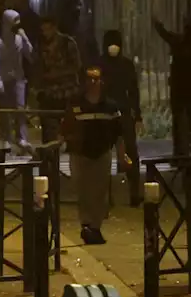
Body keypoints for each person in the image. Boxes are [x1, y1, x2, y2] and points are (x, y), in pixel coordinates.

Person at [61, 67, 129, 245]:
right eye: (89, 79)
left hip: (102, 153)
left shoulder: (110, 106)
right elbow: (66, 127)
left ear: (102, 82)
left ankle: (95, 227)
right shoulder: (75, 104)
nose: (93, 83)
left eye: (96, 79)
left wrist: (122, 156)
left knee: (99, 192)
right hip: (79, 154)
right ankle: (86, 225)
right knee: (83, 191)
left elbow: (119, 134)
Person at [153, 16, 191, 155]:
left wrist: (157, 24)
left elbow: (164, 33)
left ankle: (179, 152)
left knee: (178, 121)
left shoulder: (177, 42)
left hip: (178, 88)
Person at [99, 29, 142, 205]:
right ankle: (105, 195)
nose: (113, 47)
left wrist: (137, 113)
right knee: (103, 156)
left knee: (130, 152)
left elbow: (133, 91)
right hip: (104, 115)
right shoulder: (99, 65)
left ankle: (134, 191)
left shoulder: (126, 65)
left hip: (123, 114)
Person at [32, 17, 83, 144]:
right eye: (43, 30)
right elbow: (38, 66)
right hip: (49, 93)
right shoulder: (41, 44)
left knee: (72, 129)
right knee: (49, 132)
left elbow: (76, 66)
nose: (45, 33)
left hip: (67, 92)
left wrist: (57, 74)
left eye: (47, 29)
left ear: (55, 28)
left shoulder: (67, 43)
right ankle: (49, 160)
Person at [0, 9, 34, 151]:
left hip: (18, 79)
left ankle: (22, 138)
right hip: (5, 79)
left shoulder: (19, 39)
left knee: (20, 109)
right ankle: (7, 138)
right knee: (5, 111)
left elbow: (30, 55)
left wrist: (25, 38)